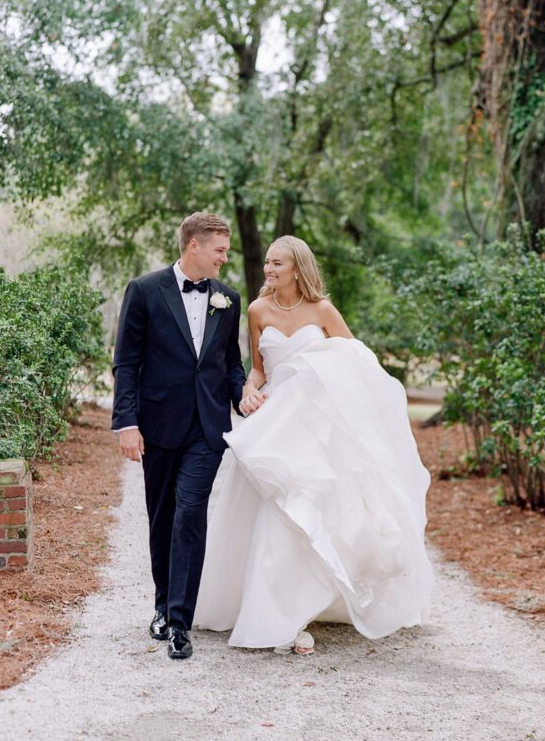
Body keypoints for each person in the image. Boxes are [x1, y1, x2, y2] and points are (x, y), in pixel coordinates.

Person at [194, 235, 433, 653]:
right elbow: (259, 369)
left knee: (316, 509)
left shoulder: (323, 311)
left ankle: (311, 602)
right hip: (276, 421)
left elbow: (356, 363)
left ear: (298, 267)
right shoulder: (257, 310)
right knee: (275, 511)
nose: (269, 270)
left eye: (278, 264)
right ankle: (276, 611)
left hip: (318, 424)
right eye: (267, 262)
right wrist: (249, 391)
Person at [111, 212, 253, 659]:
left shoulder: (227, 299)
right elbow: (127, 363)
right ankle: (160, 604)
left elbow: (230, 362)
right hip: (157, 425)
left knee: (191, 512)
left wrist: (242, 394)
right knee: (163, 516)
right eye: (219, 251)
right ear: (194, 246)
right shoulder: (144, 291)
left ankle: (179, 621)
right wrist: (126, 423)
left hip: (206, 429)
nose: (224, 259)